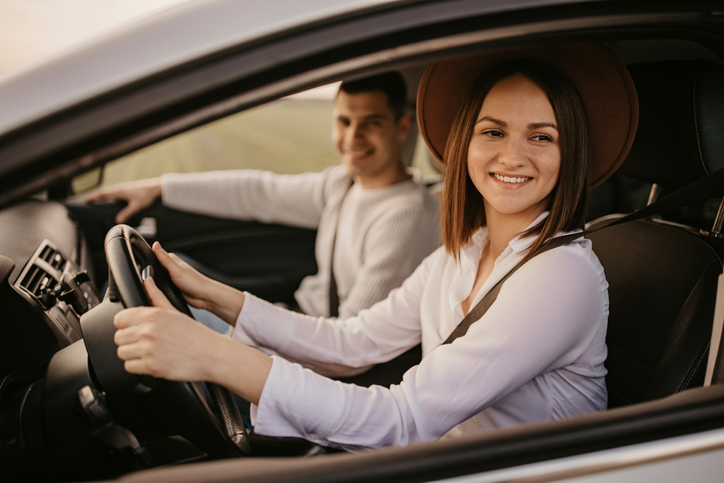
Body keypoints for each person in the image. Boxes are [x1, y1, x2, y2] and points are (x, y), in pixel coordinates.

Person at [112, 43, 638, 450]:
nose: (512, 156)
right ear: (465, 142)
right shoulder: (463, 251)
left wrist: (212, 355)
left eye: (541, 136)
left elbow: (403, 420)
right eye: (493, 131)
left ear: (569, 153)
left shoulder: (559, 275)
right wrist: (218, 298)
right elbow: (352, 343)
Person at [89, 72, 441, 320]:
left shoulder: (406, 216)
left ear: (402, 126)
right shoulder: (342, 183)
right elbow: (258, 192)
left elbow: (353, 341)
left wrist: (242, 338)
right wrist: (161, 187)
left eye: (371, 122)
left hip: (311, 352)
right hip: (295, 323)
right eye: (344, 121)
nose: (353, 137)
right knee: (162, 278)